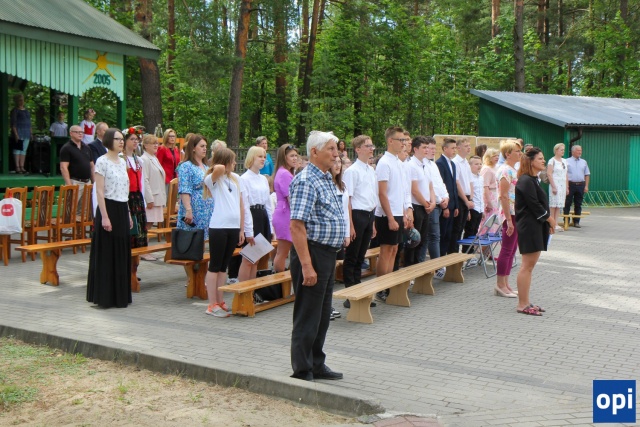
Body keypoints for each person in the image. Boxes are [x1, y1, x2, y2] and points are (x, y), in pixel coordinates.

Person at [289, 130, 345, 382]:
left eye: (336, 149)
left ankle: (316, 363)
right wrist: (307, 266)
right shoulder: (306, 180)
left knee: (322, 314)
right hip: (312, 253)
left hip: (326, 254)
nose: (336, 154)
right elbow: (296, 226)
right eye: (331, 149)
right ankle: (302, 369)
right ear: (314, 152)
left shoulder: (324, 177)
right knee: (308, 314)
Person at [203, 148, 252, 318]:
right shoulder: (213, 178)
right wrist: (222, 162)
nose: (235, 163)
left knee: (223, 266)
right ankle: (211, 304)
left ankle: (220, 300)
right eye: (232, 161)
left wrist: (241, 229)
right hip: (219, 227)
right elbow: (218, 168)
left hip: (233, 227)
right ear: (224, 162)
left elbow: (241, 205)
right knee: (215, 265)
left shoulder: (236, 179)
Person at [86, 128, 132, 308]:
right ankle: (104, 296)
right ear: (108, 140)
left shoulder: (122, 162)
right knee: (107, 252)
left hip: (122, 207)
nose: (121, 142)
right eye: (117, 139)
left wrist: (128, 213)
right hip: (108, 207)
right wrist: (104, 217)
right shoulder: (102, 161)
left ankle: (119, 296)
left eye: (122, 139)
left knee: (121, 251)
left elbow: (125, 190)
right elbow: (99, 191)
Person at [515, 147, 555, 316]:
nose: (543, 161)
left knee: (529, 267)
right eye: (540, 158)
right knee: (526, 266)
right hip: (529, 227)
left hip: (535, 226)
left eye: (543, 158)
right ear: (531, 161)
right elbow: (534, 205)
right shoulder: (525, 180)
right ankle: (522, 304)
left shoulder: (533, 179)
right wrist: (550, 219)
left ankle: (526, 301)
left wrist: (547, 222)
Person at [341, 135, 378, 308]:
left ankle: (359, 291)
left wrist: (373, 222)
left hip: (368, 215)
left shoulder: (370, 170)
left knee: (361, 256)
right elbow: (347, 199)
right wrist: (350, 225)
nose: (371, 149)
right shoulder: (352, 171)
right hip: (356, 215)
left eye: (372, 145)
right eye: (367, 146)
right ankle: (350, 294)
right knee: (352, 256)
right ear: (358, 149)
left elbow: (372, 197)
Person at [375, 127, 412, 286]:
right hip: (386, 214)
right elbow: (382, 193)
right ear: (390, 141)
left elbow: (401, 191)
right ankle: (381, 288)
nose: (404, 143)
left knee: (394, 249)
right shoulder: (384, 162)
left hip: (398, 212)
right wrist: (390, 218)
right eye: (400, 140)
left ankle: (388, 285)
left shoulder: (398, 162)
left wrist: (405, 212)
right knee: (386, 250)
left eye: (405, 140)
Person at [237, 146, 273, 282]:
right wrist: (249, 230)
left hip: (262, 216)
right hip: (252, 216)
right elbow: (245, 206)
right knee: (248, 259)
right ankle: (243, 291)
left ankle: (251, 291)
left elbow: (268, 204)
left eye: (264, 156)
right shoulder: (244, 179)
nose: (263, 159)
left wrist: (271, 227)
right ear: (252, 158)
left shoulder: (263, 179)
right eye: (260, 156)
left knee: (256, 259)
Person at [495, 139, 522, 298]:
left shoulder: (513, 169)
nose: (520, 154)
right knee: (506, 249)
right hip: (509, 213)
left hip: (516, 212)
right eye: (517, 151)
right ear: (508, 154)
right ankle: (500, 284)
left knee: (512, 250)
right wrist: (509, 220)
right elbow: (503, 196)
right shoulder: (505, 170)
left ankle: (506, 283)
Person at [405, 135, 435, 266]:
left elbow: (430, 186)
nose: (427, 150)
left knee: (422, 240)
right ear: (415, 149)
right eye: (424, 147)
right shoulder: (411, 165)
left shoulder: (426, 165)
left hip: (426, 206)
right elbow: (414, 190)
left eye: (428, 147)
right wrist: (426, 204)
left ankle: (417, 266)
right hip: (416, 206)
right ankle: (409, 268)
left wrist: (432, 202)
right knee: (413, 241)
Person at [176, 134, 214, 232]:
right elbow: (185, 189)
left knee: (205, 237)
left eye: (205, 146)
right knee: (194, 237)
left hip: (207, 208)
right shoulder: (186, 166)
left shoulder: (206, 166)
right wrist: (188, 210)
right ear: (193, 148)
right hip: (194, 207)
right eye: (202, 146)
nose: (205, 149)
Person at [423, 137, 449, 274]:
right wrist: (439, 200)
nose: (433, 151)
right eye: (430, 148)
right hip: (431, 204)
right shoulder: (423, 165)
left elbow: (440, 183)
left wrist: (446, 197)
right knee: (433, 235)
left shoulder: (433, 165)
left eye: (434, 148)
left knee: (435, 236)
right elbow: (429, 186)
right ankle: (437, 266)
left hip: (439, 203)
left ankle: (437, 264)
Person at [272, 144, 299, 273]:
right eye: (292, 156)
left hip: (284, 212)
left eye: (296, 156)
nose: (295, 158)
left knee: (283, 252)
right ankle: (280, 280)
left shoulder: (285, 172)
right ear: (284, 157)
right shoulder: (284, 174)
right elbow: (291, 198)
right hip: (285, 214)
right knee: (282, 252)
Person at [122, 127, 149, 251]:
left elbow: (142, 180)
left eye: (137, 139)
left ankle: (141, 249)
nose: (135, 142)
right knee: (131, 222)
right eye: (132, 139)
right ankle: (130, 248)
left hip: (138, 195)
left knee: (140, 222)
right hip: (128, 195)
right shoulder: (122, 159)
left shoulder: (138, 160)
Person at [60, 125, 95, 212]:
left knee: (84, 211)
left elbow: (92, 166)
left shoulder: (87, 147)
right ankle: (69, 222)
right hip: (74, 182)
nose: (80, 134)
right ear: (71, 133)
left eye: (82, 132)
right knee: (70, 210)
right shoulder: (66, 148)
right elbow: (63, 167)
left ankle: (81, 222)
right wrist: (69, 184)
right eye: (77, 132)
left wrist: (94, 182)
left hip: (87, 182)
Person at [450, 138, 474, 255]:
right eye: (466, 146)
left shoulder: (466, 163)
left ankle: (457, 254)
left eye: (469, 146)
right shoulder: (455, 162)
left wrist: (470, 199)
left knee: (462, 227)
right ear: (458, 148)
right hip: (460, 197)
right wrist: (465, 200)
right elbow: (457, 183)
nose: (469, 148)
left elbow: (470, 182)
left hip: (467, 197)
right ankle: (453, 254)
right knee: (456, 228)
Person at [436, 138, 459, 257]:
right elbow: (441, 185)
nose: (455, 150)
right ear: (445, 148)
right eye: (452, 148)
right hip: (445, 205)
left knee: (449, 234)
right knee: (443, 233)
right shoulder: (440, 163)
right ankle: (440, 257)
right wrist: (445, 207)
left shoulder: (453, 164)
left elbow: (454, 186)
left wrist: (456, 205)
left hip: (452, 204)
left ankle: (445, 257)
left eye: (455, 148)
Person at [141, 134, 167, 227]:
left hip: (157, 197)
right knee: (147, 224)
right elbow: (145, 179)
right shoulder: (144, 159)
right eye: (153, 143)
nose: (156, 145)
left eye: (157, 143)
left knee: (150, 223)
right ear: (146, 145)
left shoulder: (154, 158)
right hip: (152, 198)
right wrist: (149, 199)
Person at [462, 156, 485, 261]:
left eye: (480, 164)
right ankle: (466, 253)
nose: (479, 166)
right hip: (472, 208)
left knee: (475, 231)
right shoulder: (468, 178)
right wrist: (468, 210)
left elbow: (481, 194)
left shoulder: (481, 178)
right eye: (476, 164)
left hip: (479, 208)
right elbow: (469, 194)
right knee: (469, 231)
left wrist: (482, 209)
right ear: (470, 165)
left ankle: (471, 253)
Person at [563, 145, 590, 228]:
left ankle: (576, 222)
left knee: (578, 203)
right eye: (578, 150)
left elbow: (587, 174)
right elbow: (564, 174)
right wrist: (566, 186)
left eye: (580, 150)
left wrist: (586, 186)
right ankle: (566, 221)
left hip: (581, 185)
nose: (580, 152)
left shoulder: (584, 162)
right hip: (570, 184)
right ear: (573, 152)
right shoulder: (566, 161)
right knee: (567, 203)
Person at [547, 143, 569, 232]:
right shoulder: (552, 161)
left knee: (559, 205)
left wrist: (567, 187)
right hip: (555, 184)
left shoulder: (564, 161)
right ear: (556, 150)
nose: (563, 151)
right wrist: (553, 187)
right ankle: (551, 223)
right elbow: (549, 174)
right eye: (561, 150)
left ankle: (556, 223)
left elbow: (566, 174)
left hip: (562, 185)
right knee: (553, 205)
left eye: (563, 150)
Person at [9, 94, 32, 174]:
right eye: (19, 100)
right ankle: (17, 167)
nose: (21, 102)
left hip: (26, 133)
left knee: (24, 150)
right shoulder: (15, 111)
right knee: (17, 149)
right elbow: (13, 123)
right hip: (19, 132)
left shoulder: (26, 111)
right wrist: (16, 134)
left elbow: (29, 123)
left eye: (22, 100)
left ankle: (22, 166)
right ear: (16, 101)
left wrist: (31, 133)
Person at [157, 129, 181, 195]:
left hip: (175, 177)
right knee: (166, 197)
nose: (172, 138)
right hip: (165, 178)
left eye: (173, 136)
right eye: (170, 136)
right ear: (166, 137)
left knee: (174, 198)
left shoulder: (176, 149)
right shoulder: (162, 149)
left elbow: (178, 162)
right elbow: (158, 164)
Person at [480, 148, 500, 220]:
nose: (497, 157)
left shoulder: (496, 167)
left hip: (496, 194)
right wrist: (488, 202)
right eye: (494, 156)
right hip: (490, 195)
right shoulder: (487, 169)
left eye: (497, 155)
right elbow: (485, 186)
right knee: (490, 218)